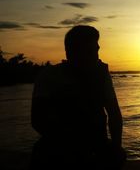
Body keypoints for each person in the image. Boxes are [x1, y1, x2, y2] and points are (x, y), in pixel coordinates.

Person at [30, 25, 126, 169]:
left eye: (96, 50)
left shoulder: (101, 75)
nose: (96, 55)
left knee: (118, 155)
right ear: (72, 52)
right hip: (60, 144)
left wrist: (116, 148)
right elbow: (38, 120)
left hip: (95, 142)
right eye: (91, 51)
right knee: (41, 155)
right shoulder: (49, 76)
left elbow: (114, 116)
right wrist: (70, 143)